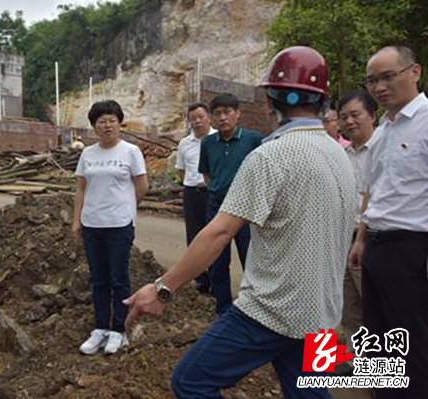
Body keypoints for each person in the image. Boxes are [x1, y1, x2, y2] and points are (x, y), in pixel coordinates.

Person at [124, 46, 356, 398]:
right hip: (321, 314)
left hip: (270, 312)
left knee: (190, 382)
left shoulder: (268, 156)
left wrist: (162, 288)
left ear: (268, 102)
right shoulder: (340, 155)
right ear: (322, 103)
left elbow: (218, 232)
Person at [348, 45, 428, 398]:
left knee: (411, 341)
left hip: (413, 249)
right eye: (371, 80)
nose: (379, 86)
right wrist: (362, 239)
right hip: (377, 246)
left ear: (415, 72)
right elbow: (374, 191)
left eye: (387, 76)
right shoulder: (383, 128)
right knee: (376, 335)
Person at [72, 100, 148, 355]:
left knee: (119, 279)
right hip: (92, 225)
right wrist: (77, 220)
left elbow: (142, 185)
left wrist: (126, 208)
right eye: (101, 121)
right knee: (98, 279)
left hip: (119, 225)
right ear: (94, 126)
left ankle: (119, 331)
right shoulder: (88, 154)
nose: (107, 125)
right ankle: (100, 328)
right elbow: (81, 188)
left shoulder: (131, 151)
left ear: (119, 122)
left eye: (111, 120)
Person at [198, 94, 263, 315]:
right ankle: (223, 307)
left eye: (228, 112)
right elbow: (207, 174)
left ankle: (253, 307)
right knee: (217, 258)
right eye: (217, 113)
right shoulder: (207, 143)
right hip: (217, 205)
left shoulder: (253, 139)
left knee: (250, 257)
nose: (223, 117)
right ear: (212, 118)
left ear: (238, 114)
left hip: (247, 209)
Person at [334, 90, 378, 375]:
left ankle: (380, 373)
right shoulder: (339, 154)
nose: (349, 121)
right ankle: (351, 361)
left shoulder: (383, 149)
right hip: (340, 238)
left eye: (355, 115)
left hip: (373, 239)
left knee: (375, 306)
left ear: (372, 115)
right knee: (345, 304)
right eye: (343, 117)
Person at [175, 102, 214, 293]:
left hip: (213, 193)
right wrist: (191, 183)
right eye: (193, 118)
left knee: (215, 235)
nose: (197, 121)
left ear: (209, 117)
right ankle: (200, 278)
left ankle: (217, 277)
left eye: (201, 117)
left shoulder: (218, 138)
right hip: (192, 194)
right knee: (194, 236)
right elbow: (180, 170)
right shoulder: (185, 143)